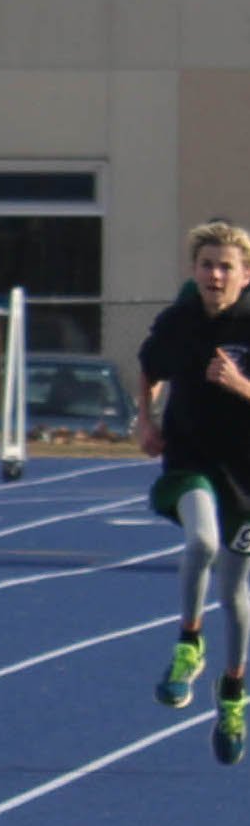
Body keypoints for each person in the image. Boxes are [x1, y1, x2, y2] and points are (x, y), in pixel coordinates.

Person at [138, 220, 250, 764]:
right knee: (200, 541)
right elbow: (148, 367)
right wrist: (144, 419)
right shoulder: (179, 321)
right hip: (188, 459)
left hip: (245, 474)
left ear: (244, 274)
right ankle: (188, 642)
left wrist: (241, 386)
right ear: (195, 270)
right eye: (207, 264)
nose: (215, 274)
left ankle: (233, 692)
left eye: (226, 265)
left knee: (236, 598)